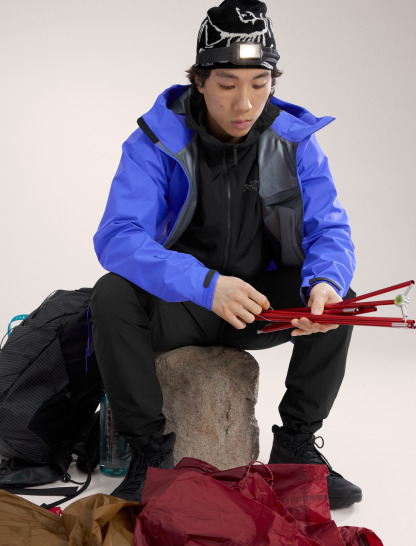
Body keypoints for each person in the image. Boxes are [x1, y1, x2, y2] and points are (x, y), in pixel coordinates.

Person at [90, 0, 361, 510]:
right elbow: (118, 236)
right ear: (198, 80)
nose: (245, 103)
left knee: (341, 297)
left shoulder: (293, 142)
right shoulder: (156, 140)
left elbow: (329, 229)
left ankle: (296, 447)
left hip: (261, 306)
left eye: (260, 84)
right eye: (228, 85)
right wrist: (205, 285)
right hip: (184, 303)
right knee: (110, 296)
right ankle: (150, 456)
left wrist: (324, 284)